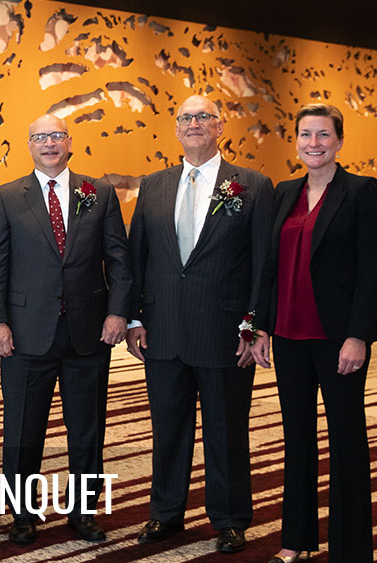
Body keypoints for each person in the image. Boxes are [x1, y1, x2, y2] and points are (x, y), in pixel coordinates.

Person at [125, 95, 273, 554]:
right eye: (186, 118)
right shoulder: (153, 185)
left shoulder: (252, 184)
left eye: (203, 117)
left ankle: (229, 517)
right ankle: (165, 513)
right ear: (176, 128)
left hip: (226, 333)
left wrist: (256, 324)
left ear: (219, 127)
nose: (194, 124)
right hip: (163, 330)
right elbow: (137, 259)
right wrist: (133, 318)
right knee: (168, 428)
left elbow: (264, 263)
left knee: (227, 429)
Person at [0, 114, 131, 545]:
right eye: (40, 137)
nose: (49, 143)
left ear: (69, 142)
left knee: (88, 428)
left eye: (56, 136)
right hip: (25, 333)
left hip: (90, 333)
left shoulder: (97, 192)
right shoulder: (8, 196)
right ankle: (22, 513)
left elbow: (118, 258)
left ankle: (83, 511)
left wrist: (119, 311)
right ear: (29, 145)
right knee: (23, 428)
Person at [250, 104, 377, 563]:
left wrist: (359, 334)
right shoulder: (284, 193)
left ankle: (352, 549)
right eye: (306, 135)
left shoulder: (362, 192)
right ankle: (297, 540)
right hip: (287, 335)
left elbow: (371, 270)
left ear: (340, 141)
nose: (314, 144)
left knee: (347, 439)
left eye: (324, 135)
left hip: (336, 337)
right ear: (297, 141)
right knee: (296, 436)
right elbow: (267, 268)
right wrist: (257, 327)